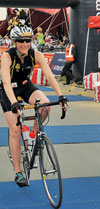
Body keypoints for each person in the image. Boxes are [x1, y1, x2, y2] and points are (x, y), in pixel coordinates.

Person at [0, 9, 69, 187]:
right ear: (14, 42)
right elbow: (6, 83)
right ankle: (18, 172)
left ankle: (32, 135)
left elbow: (50, 76)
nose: (25, 44)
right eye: (21, 41)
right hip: (8, 91)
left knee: (45, 106)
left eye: (27, 40)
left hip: (24, 85)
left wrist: (61, 95)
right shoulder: (7, 56)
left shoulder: (35, 54)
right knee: (15, 129)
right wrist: (14, 103)